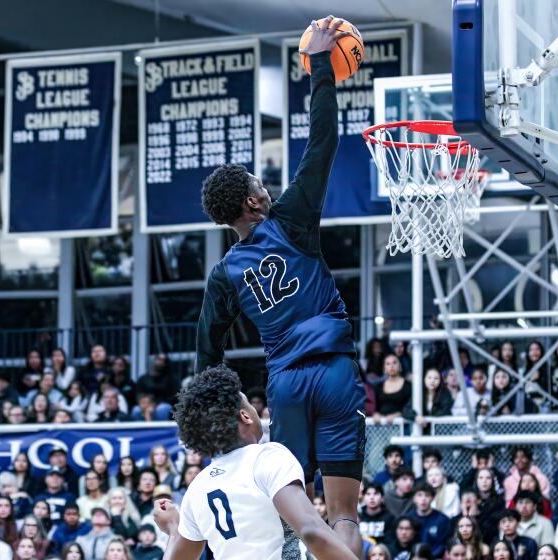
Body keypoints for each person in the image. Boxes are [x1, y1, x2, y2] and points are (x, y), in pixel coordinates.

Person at [193, 16, 365, 557]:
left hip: (286, 387)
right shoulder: (290, 218)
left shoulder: (223, 275)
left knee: (298, 522)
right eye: (258, 183)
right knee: (343, 517)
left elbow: (207, 355)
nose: (265, 187)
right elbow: (323, 140)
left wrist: (223, 416)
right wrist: (318, 66)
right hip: (335, 374)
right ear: (253, 202)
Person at [151, 363, 358, 559]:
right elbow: (312, 531)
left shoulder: (195, 490)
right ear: (245, 416)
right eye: (249, 404)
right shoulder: (266, 457)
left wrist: (173, 530)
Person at [405, 483, 451, 558]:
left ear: (432, 498)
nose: (423, 499)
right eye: (419, 495)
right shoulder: (407, 519)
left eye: (427, 495)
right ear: (414, 499)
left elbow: (443, 544)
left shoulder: (442, 520)